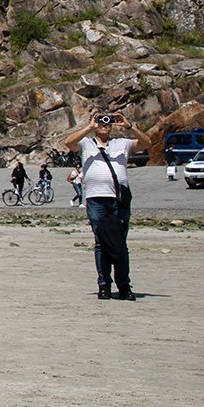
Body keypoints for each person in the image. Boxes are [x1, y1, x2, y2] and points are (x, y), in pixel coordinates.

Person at [62, 111, 150, 300]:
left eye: (107, 121)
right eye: (100, 121)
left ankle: (124, 286)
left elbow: (146, 144)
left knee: (120, 242)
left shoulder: (122, 143)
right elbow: (69, 142)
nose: (104, 124)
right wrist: (89, 127)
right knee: (101, 242)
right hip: (96, 199)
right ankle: (104, 285)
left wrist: (129, 126)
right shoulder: (86, 144)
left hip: (119, 199)